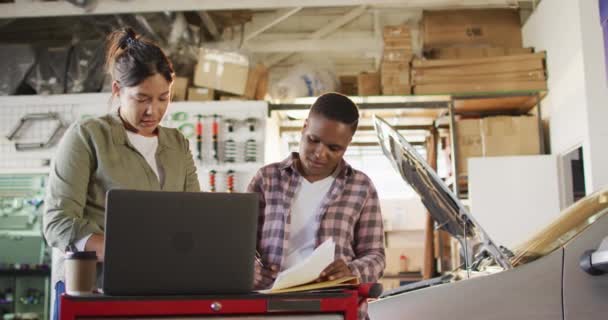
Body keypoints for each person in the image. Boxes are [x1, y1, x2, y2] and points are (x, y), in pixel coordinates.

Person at [43, 28, 199, 320]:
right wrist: (126, 252)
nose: (153, 110)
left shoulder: (178, 144)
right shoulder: (87, 137)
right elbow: (58, 223)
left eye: (163, 98)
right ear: (117, 90)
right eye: (141, 98)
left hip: (161, 290)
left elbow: (193, 217)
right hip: (91, 292)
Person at [247, 92, 385, 319]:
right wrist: (258, 274)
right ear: (304, 127)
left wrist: (351, 271)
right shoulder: (267, 179)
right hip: (271, 309)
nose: (320, 153)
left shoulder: (361, 187)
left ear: (348, 144)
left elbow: (376, 255)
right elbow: (242, 247)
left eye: (334, 148)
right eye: (313, 140)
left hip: (337, 309)